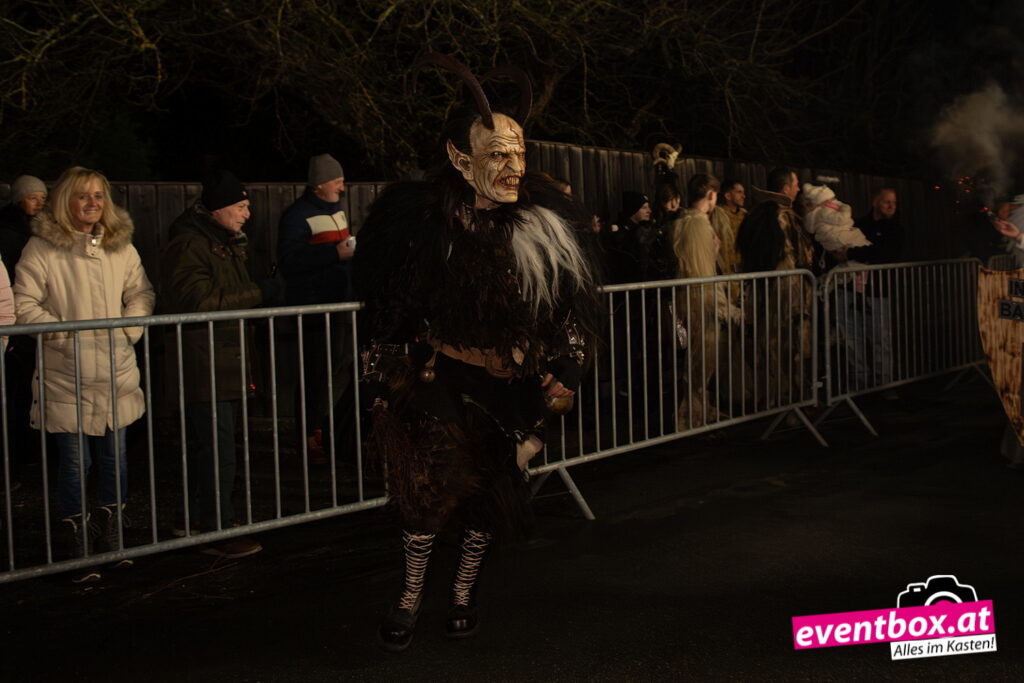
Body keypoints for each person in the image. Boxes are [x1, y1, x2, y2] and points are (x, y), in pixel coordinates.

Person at [353, 53, 598, 651]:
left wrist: (569, 362)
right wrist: (378, 378)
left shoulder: (545, 225)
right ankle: (410, 595)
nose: (513, 168)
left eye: (519, 154)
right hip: (442, 378)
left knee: (491, 497)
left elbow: (570, 306)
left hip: (511, 389)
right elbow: (387, 307)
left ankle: (463, 592)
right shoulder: (422, 225)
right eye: (497, 156)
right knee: (429, 494)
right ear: (461, 159)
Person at [13, 167, 154, 578]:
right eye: (83, 196)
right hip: (66, 375)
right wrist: (64, 335)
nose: (93, 202)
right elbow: (23, 303)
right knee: (76, 465)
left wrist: (127, 329)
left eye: (98, 195)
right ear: (65, 201)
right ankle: (76, 541)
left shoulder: (120, 246)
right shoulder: (42, 248)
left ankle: (112, 533)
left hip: (115, 372)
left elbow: (141, 292)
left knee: (115, 460)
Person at [161, 170, 277, 559]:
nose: (247, 214)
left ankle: (194, 521)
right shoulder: (190, 244)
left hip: (220, 359)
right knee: (216, 449)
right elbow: (197, 301)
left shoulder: (221, 243)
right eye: (241, 206)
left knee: (211, 447)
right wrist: (258, 292)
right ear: (219, 209)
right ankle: (216, 529)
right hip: (204, 362)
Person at [277, 154, 356, 464]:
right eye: (337, 181)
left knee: (332, 372)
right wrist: (334, 254)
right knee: (313, 374)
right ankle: (308, 437)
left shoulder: (337, 211)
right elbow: (289, 261)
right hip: (312, 308)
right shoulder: (297, 216)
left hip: (337, 305)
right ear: (319, 184)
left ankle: (323, 431)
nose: (342, 187)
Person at [672, 173, 740, 428]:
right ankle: (692, 415)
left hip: (698, 299)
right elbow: (702, 271)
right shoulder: (696, 224)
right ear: (711, 195)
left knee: (704, 358)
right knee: (701, 358)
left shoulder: (689, 222)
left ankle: (701, 410)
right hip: (702, 301)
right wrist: (721, 305)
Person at [0, 175, 47, 476]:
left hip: (27, 320)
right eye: (33, 197)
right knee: (18, 392)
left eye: (43, 198)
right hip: (16, 324)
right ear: (19, 200)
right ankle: (19, 455)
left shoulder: (40, 230)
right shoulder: (8, 232)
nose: (39, 203)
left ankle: (30, 452)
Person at [842, 187, 902, 387]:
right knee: (853, 337)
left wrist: (852, 254)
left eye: (894, 203)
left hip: (878, 290)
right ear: (876, 202)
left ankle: (883, 381)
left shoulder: (895, 229)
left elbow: (882, 254)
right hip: (853, 289)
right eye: (887, 202)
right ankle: (860, 378)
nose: (891, 206)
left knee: (880, 338)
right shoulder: (859, 224)